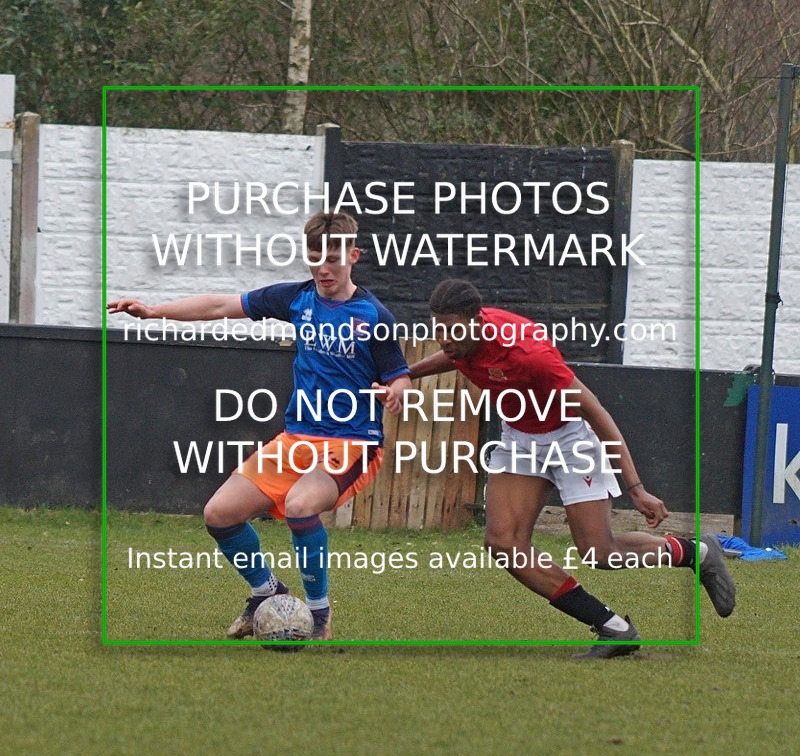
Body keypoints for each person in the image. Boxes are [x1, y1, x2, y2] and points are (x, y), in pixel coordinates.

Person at [108, 211, 412, 641]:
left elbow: (400, 376)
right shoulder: (296, 298)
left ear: (353, 256)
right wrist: (156, 311)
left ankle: (319, 616)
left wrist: (396, 393)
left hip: (352, 443)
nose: (323, 268)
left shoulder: (374, 316)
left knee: (301, 506)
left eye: (332, 259)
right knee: (219, 514)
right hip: (296, 439)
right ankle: (265, 592)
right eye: (314, 258)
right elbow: (220, 305)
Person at [407, 278, 735, 658]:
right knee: (503, 543)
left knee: (600, 553)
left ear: (477, 321)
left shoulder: (528, 352)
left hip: (568, 438)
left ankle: (695, 553)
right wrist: (403, 375)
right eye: (438, 330)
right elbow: (452, 357)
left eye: (451, 331)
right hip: (520, 438)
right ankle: (613, 627)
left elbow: (597, 412)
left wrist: (636, 488)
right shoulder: (461, 342)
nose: (444, 340)